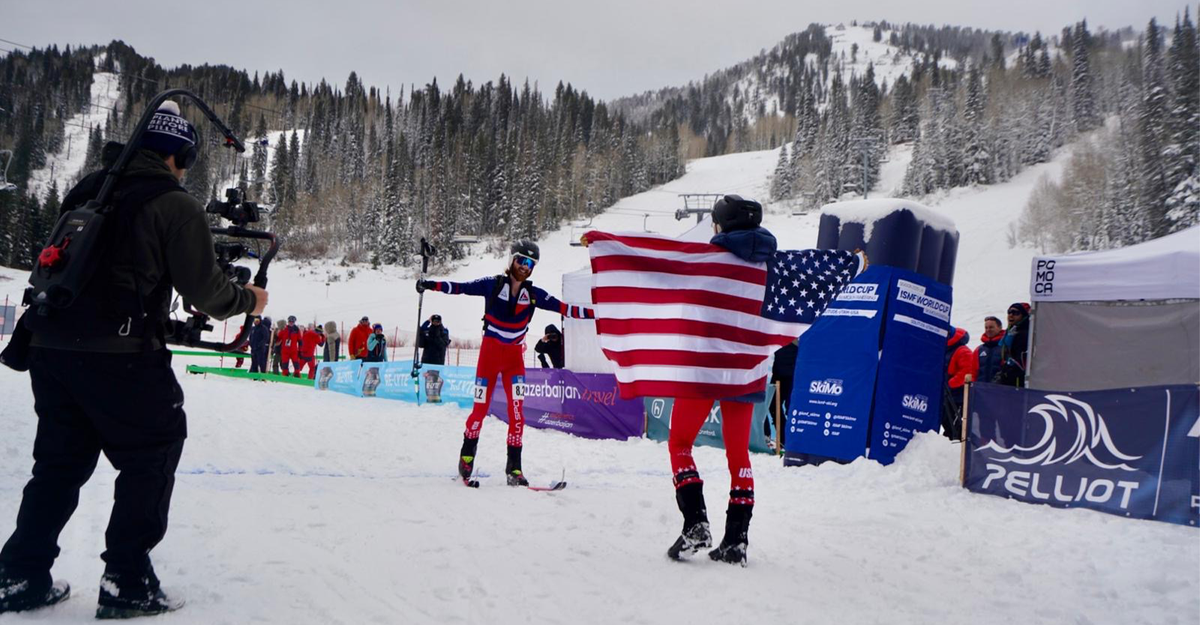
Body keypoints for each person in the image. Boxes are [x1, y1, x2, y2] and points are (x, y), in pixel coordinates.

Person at [0, 101, 268, 617]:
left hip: (51, 348)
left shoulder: (90, 190)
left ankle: (19, 574)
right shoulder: (173, 203)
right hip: (120, 357)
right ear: (178, 157)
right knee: (153, 450)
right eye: (186, 162)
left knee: (57, 465)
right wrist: (248, 300)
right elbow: (208, 293)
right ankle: (128, 581)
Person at [417, 240, 595, 487]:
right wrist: (429, 284)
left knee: (517, 414)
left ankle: (515, 469)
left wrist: (598, 314)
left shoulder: (533, 295)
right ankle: (466, 460)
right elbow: (459, 288)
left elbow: (565, 309)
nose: (525, 266)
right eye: (521, 260)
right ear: (511, 260)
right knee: (479, 411)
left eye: (531, 263)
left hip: (514, 361)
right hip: (489, 359)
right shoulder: (492, 285)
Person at [659, 195, 771, 567]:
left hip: (705, 367)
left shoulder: (707, 261)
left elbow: (658, 270)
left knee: (679, 443)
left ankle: (695, 524)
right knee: (739, 454)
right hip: (749, 369)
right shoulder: (774, 264)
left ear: (722, 226)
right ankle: (736, 540)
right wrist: (855, 262)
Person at [942, 326, 977, 439]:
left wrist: (950, 384)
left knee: (954, 422)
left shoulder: (962, 350)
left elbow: (968, 371)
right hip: (948, 394)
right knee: (947, 420)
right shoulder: (945, 349)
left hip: (958, 395)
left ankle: (962, 443)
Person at [768, 339, 798, 449]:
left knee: (791, 408)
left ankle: (792, 442)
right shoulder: (778, 329)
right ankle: (784, 441)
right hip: (778, 374)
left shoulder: (799, 328)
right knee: (773, 406)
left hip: (794, 375)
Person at [994, 303, 1031, 387]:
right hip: (1009, 373)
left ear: (1023, 316)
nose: (1011, 315)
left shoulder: (1025, 333)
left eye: (1015, 313)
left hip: (1018, 376)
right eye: (1009, 312)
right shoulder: (1011, 331)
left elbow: (1020, 357)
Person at [975, 316, 1005, 385]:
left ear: (1000, 328)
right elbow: (973, 372)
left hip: (1000, 389)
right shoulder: (979, 350)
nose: (988, 330)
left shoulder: (1005, 347)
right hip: (981, 389)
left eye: (991, 327)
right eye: (986, 328)